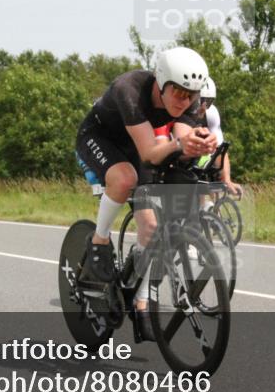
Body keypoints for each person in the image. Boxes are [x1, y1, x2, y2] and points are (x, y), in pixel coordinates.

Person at [75, 47, 217, 340]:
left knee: (153, 227)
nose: (184, 101)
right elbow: (151, 152)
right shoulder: (130, 89)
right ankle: (99, 241)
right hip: (101, 138)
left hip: (141, 146)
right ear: (161, 83)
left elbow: (180, 139)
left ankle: (142, 300)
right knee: (125, 177)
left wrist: (197, 143)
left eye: (191, 95)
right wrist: (180, 146)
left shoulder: (189, 102)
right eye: (178, 92)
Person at [178, 79, 242, 198]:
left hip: (198, 154)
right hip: (181, 154)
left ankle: (211, 210)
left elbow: (221, 150)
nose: (203, 106)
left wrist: (226, 180)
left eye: (208, 101)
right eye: (200, 101)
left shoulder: (211, 113)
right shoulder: (181, 111)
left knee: (211, 168)